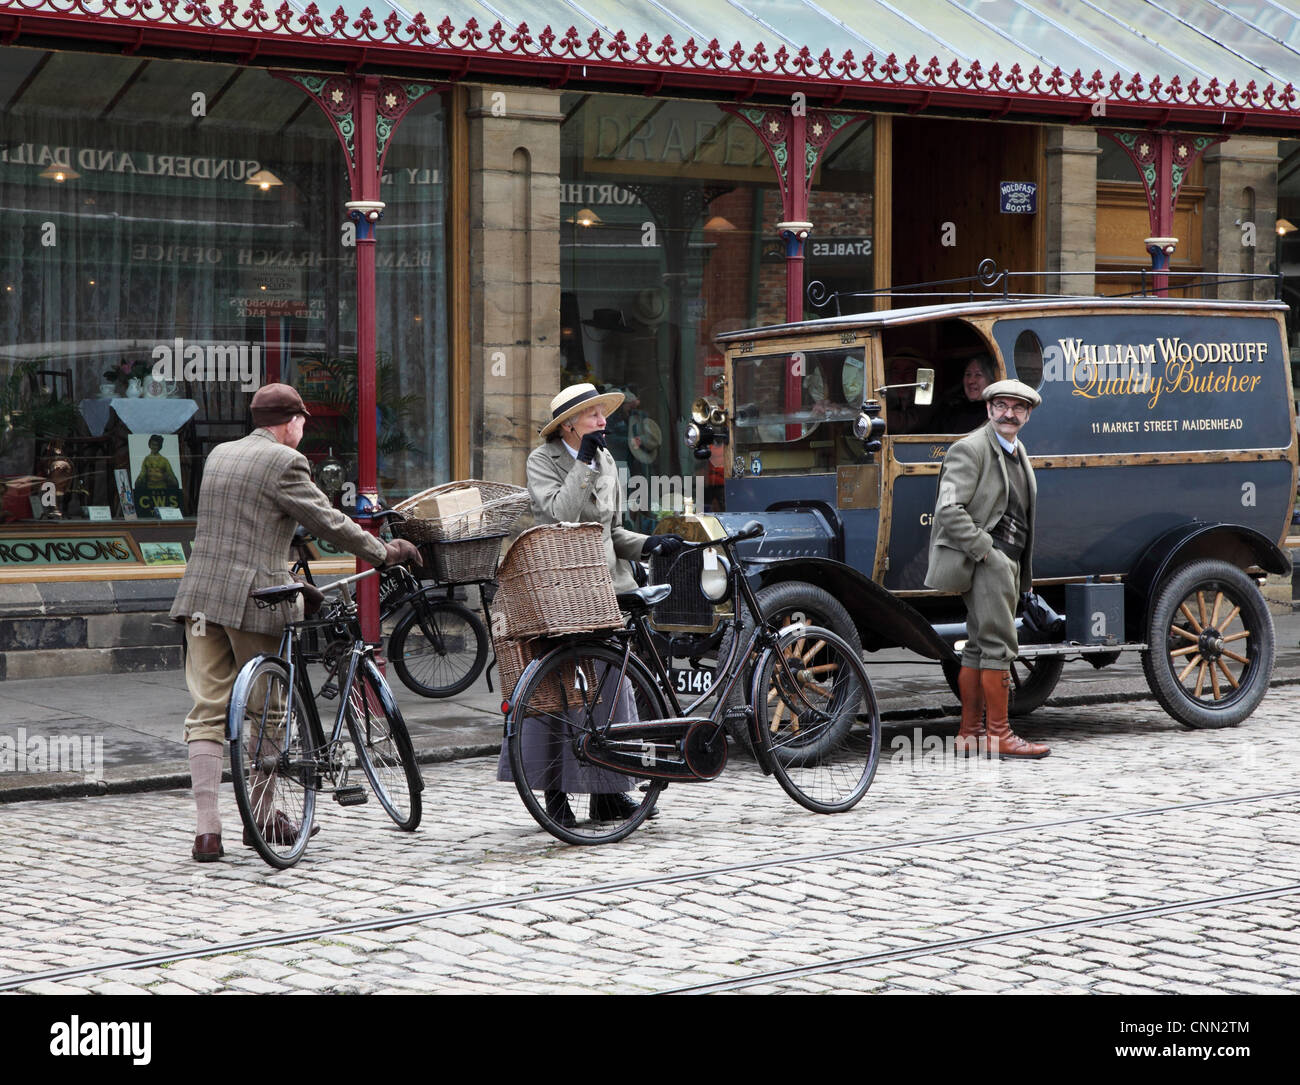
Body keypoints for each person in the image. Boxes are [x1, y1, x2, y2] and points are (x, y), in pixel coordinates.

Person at [171, 383, 420, 861]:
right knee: (268, 710)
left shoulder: (222, 454)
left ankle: (207, 833)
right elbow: (328, 520)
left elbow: (245, 518)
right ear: (292, 422)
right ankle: (262, 818)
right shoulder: (285, 461)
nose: (303, 430)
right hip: (254, 600)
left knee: (205, 711)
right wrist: (382, 552)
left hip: (201, 595)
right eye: (303, 422)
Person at [496, 382, 684, 826]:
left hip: (606, 589)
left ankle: (610, 792)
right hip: (560, 591)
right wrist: (581, 463)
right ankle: (555, 793)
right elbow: (557, 517)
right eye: (594, 416)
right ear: (569, 424)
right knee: (560, 691)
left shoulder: (607, 460)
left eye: (603, 414)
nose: (604, 423)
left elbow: (611, 533)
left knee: (611, 690)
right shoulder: (543, 460)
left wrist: (650, 544)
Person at [924, 379, 1050, 760]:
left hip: (1005, 561)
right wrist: (986, 552)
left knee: (979, 647)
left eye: (1018, 408)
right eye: (1001, 406)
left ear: (1028, 415)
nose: (1008, 413)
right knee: (999, 645)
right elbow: (949, 510)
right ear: (988, 409)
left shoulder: (1016, 449)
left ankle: (969, 734)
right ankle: (999, 734)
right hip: (986, 561)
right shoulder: (971, 448)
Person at [938, 355, 995, 432]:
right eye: (968, 374)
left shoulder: (996, 412)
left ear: (991, 381)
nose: (970, 381)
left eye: (978, 375)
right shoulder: (950, 412)